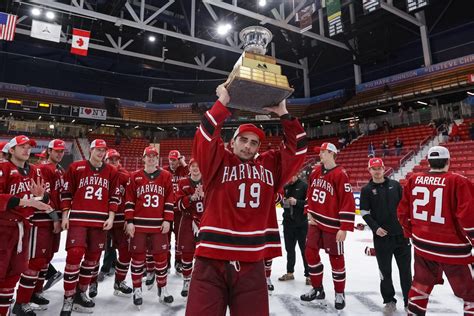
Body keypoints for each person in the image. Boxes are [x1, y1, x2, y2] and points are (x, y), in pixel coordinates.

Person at [186, 84, 307, 315]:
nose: (248, 146)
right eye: (243, 140)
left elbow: (298, 149)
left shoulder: (270, 166)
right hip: (211, 258)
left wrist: (283, 114)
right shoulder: (217, 162)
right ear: (232, 142)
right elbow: (204, 138)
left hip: (252, 261)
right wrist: (223, 102)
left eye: (254, 143)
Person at [397, 146, 474, 315]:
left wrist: (412, 233)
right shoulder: (458, 181)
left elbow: (402, 213)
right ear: (448, 161)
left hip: (422, 246)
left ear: (428, 161)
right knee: (471, 294)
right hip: (453, 250)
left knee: (420, 286)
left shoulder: (413, 179)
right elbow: (468, 217)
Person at [59, 139, 120, 315]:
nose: (101, 153)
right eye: (98, 150)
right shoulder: (76, 167)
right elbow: (67, 192)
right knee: (74, 255)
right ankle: (68, 297)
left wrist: (111, 216)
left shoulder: (111, 171)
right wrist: (65, 215)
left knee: (92, 259)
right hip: (78, 219)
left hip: (100, 221)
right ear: (91, 150)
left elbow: (114, 196)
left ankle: (81, 293)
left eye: (103, 150)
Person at [0, 135, 53, 316]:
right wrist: (27, 202)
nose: (27, 150)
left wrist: (41, 197)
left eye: (29, 147)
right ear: (11, 150)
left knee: (14, 274)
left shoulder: (34, 171)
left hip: (23, 228)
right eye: (22, 146)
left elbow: (38, 200)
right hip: (3, 228)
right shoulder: (3, 168)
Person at [300, 142, 355, 311]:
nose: (320, 155)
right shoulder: (316, 171)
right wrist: (308, 210)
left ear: (331, 153)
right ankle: (318, 288)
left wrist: (344, 227)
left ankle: (339, 292)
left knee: (336, 258)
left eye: (322, 152)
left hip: (332, 224)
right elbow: (309, 192)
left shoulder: (340, 174)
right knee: (310, 253)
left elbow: (347, 201)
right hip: (315, 221)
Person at [13, 139, 66, 314]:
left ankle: (35, 292)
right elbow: (42, 197)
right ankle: (21, 302)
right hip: (41, 220)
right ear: (49, 151)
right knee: (35, 262)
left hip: (52, 218)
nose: (59, 154)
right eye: (56, 151)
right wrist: (54, 217)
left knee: (44, 261)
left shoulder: (60, 170)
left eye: (62, 151)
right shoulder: (43, 169)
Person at [125, 146, 175, 308]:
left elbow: (169, 199)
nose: (152, 158)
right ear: (143, 158)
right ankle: (137, 289)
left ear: (157, 158)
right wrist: (130, 221)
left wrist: (167, 219)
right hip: (138, 224)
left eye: (154, 156)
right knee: (137, 259)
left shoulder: (166, 176)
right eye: (149, 156)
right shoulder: (135, 176)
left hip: (158, 224)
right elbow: (130, 201)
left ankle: (163, 288)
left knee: (161, 258)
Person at [360, 158, 412, 312]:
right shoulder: (366, 190)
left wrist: (407, 227)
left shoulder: (395, 185)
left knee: (406, 272)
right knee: (385, 271)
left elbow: (405, 207)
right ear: (369, 170)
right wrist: (375, 228)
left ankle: (408, 302)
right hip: (382, 238)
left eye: (379, 168)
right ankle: (389, 301)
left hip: (402, 236)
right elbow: (364, 212)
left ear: (384, 169)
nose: (377, 171)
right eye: (374, 168)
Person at [89, 149, 132, 298]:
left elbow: (131, 197)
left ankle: (119, 281)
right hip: (101, 219)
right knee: (94, 253)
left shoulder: (125, 175)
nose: (113, 162)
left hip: (120, 219)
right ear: (105, 160)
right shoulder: (99, 173)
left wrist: (129, 219)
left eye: (116, 159)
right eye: (110, 159)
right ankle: (92, 282)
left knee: (126, 252)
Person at [175, 158, 204, 297]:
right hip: (187, 221)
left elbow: (217, 203)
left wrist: (206, 196)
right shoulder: (183, 182)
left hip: (205, 222)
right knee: (186, 253)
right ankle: (186, 280)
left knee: (203, 254)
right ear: (189, 168)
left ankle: (200, 282)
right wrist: (191, 198)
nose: (195, 168)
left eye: (198, 165)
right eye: (193, 165)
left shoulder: (208, 181)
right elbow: (178, 204)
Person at [278, 173, 310, 285]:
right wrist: (285, 203)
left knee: (305, 251)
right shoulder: (286, 187)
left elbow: (309, 203)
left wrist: (296, 202)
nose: (289, 179)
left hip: (302, 224)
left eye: (291, 176)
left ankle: (309, 275)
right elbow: (282, 204)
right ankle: (290, 272)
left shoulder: (304, 186)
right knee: (289, 250)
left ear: (297, 174)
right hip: (288, 224)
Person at [163, 150, 189, 277]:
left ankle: (178, 263)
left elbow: (193, 174)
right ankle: (166, 263)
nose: (172, 162)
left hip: (179, 210)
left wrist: (183, 163)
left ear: (179, 160)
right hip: (166, 209)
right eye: (170, 159)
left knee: (180, 239)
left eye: (174, 160)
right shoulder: (164, 170)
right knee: (165, 239)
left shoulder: (184, 170)